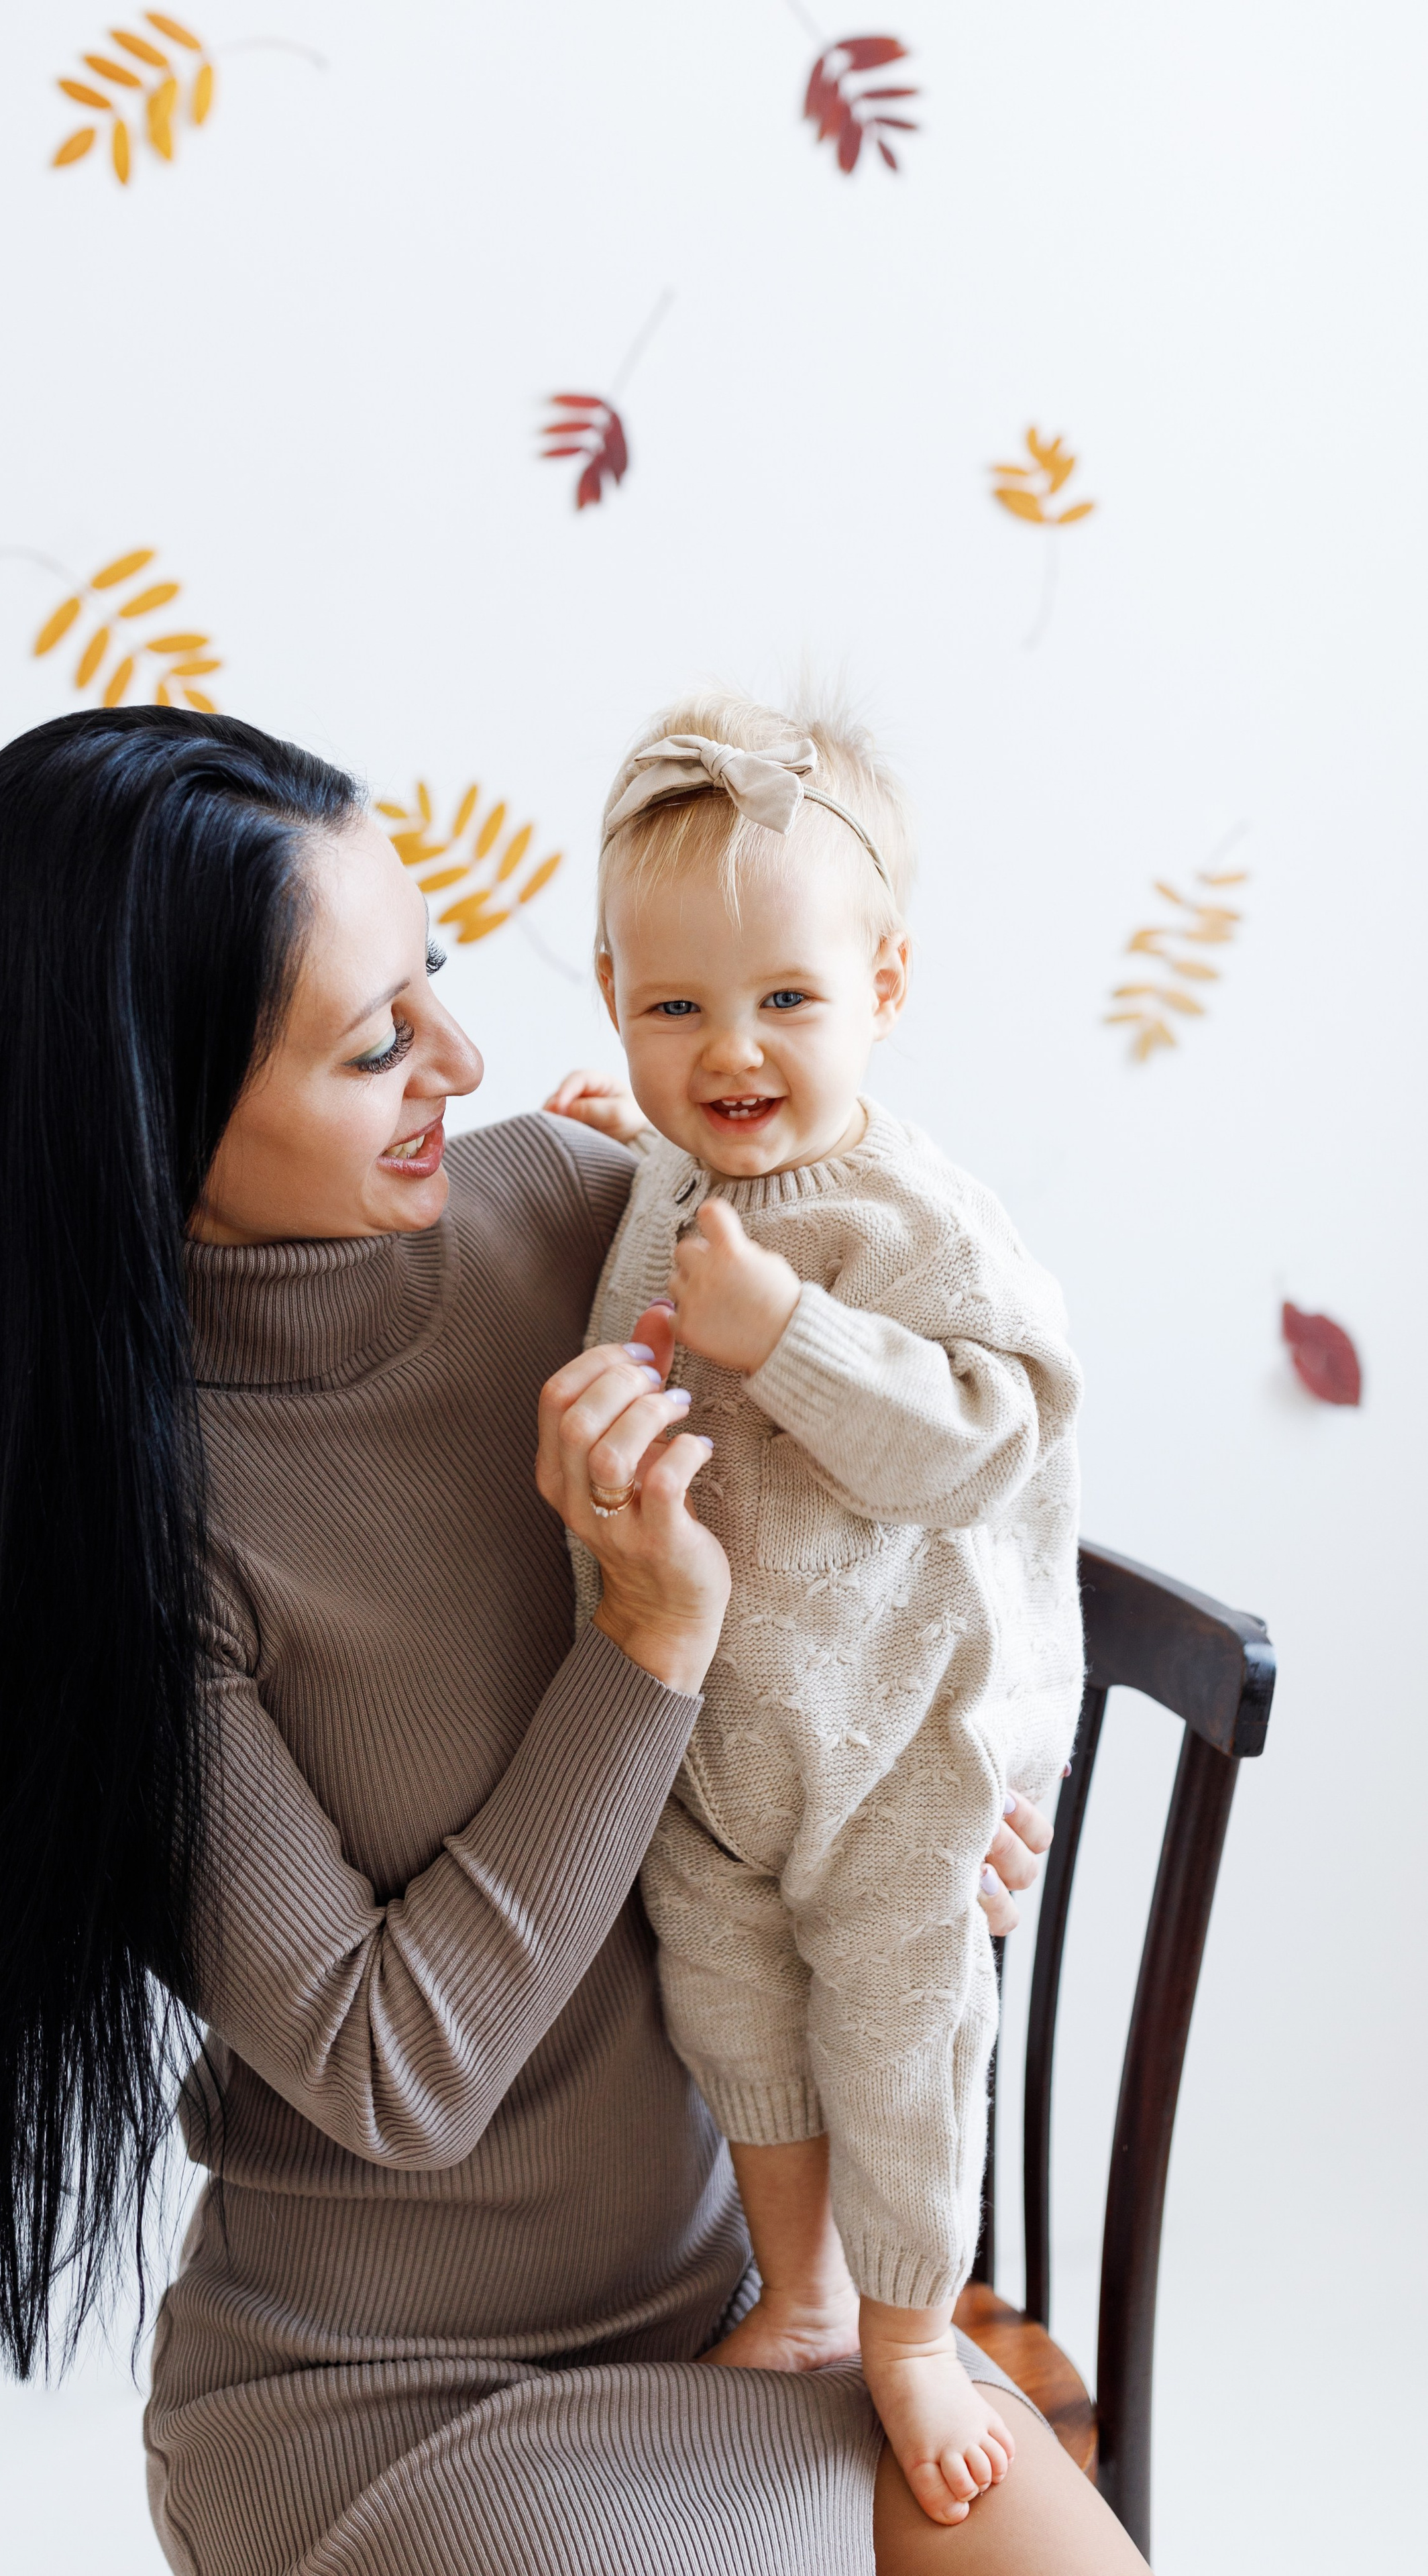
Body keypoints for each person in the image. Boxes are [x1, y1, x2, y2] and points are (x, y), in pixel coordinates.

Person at [0, 704, 1146, 2573]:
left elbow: (906, 1534)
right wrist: (639, 1646)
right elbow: (396, 2067)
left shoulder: (582, 1221)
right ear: (152, 1113)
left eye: (437, 988)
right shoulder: (132, 1557)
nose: (462, 1065)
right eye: (379, 1046)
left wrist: (950, 1798)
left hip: (739, 2294)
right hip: (369, 2411)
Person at [545, 695, 1084, 2528]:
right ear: (613, 994)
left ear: (887, 985)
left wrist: (796, 1342)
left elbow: (989, 1437)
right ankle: (802, 2292)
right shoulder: (677, 1175)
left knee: (901, 2021)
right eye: (674, 1006)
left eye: (787, 998)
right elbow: (677, 1217)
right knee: (737, 2014)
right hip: (722, 1738)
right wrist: (618, 1150)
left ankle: (916, 2319)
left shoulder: (913, 1215)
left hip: (899, 1735)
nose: (734, 1048)